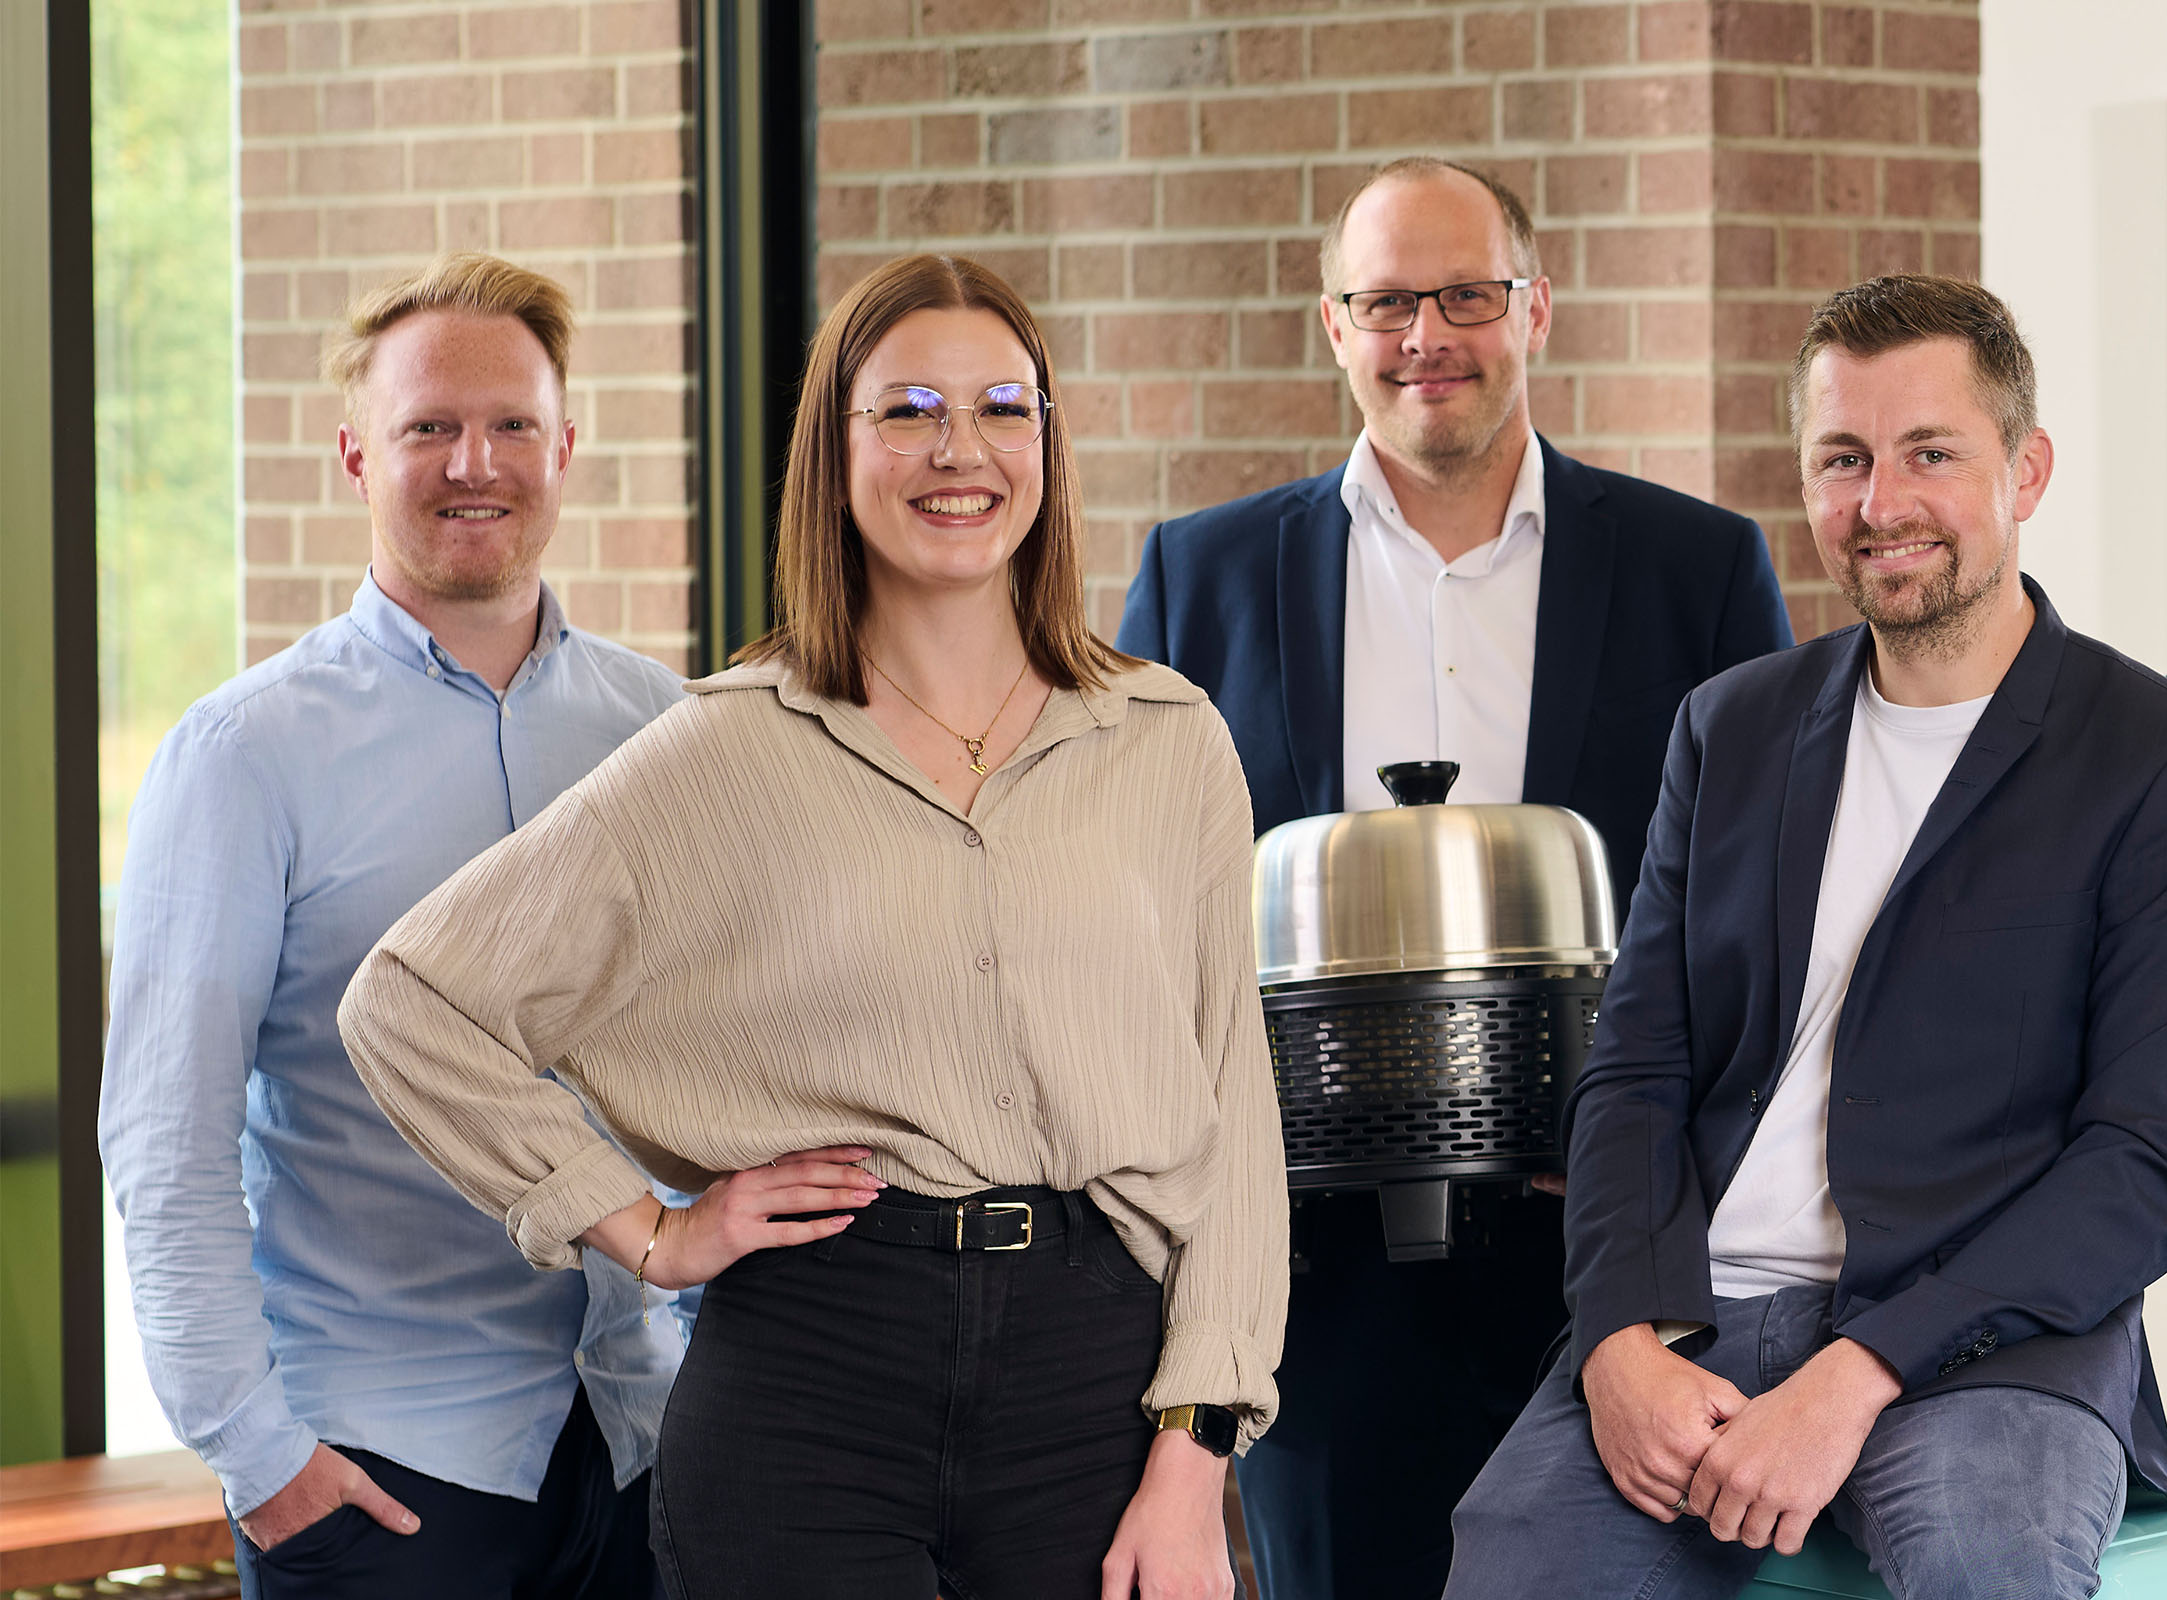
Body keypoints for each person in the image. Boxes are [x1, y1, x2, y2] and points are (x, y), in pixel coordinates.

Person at [338, 253, 1284, 1600]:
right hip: (812, 1384)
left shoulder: (1168, 739)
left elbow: (1233, 1118)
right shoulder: (725, 748)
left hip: (1100, 1383)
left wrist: (1197, 1457)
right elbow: (412, 1003)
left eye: (1003, 406)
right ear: (833, 454)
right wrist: (648, 1233)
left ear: (1047, 445)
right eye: (906, 410)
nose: (960, 449)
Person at [1442, 275, 2167, 1600]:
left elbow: (2151, 1162)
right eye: (1844, 459)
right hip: (1697, 1319)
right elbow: (1636, 1074)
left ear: (2027, 468)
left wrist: (1861, 1373)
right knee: (1509, 1553)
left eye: (1929, 452)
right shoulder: (1733, 729)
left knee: (1983, 1565)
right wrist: (1616, 1339)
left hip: (1991, 1350)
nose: (1881, 505)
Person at [1116, 155, 1790, 1600]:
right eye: (1387, 302)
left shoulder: (1700, 570)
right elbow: (1134, 910)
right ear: (1333, 325)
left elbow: (1762, 916)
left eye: (1467, 295)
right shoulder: (1202, 578)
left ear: (1535, 308)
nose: (1428, 336)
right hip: (1311, 1272)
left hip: (1610, 1257)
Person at [98, 253, 685, 1599]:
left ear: (566, 447)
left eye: (511, 426)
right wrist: (260, 1459)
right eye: (430, 427)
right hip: (384, 1474)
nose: (475, 462)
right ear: (357, 453)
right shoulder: (244, 753)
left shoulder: (661, 730)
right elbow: (162, 1138)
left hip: (646, 1450)